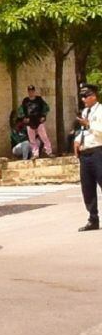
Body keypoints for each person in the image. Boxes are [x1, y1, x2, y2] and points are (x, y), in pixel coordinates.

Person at [74, 85, 102, 231]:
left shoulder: (100, 110)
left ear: (93, 96)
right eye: (82, 97)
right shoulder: (85, 112)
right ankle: (93, 219)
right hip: (85, 153)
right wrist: (77, 141)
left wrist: (89, 124)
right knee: (88, 187)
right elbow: (83, 131)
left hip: (98, 151)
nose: (83, 100)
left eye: (85, 96)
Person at [20, 84, 52, 159]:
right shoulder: (25, 101)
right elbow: (21, 110)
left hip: (38, 121)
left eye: (32, 91)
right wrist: (24, 118)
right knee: (32, 139)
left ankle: (48, 151)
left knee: (44, 137)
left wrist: (43, 116)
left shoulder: (39, 99)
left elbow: (46, 108)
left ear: (34, 91)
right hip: (29, 122)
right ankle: (35, 154)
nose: (31, 92)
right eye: (29, 91)